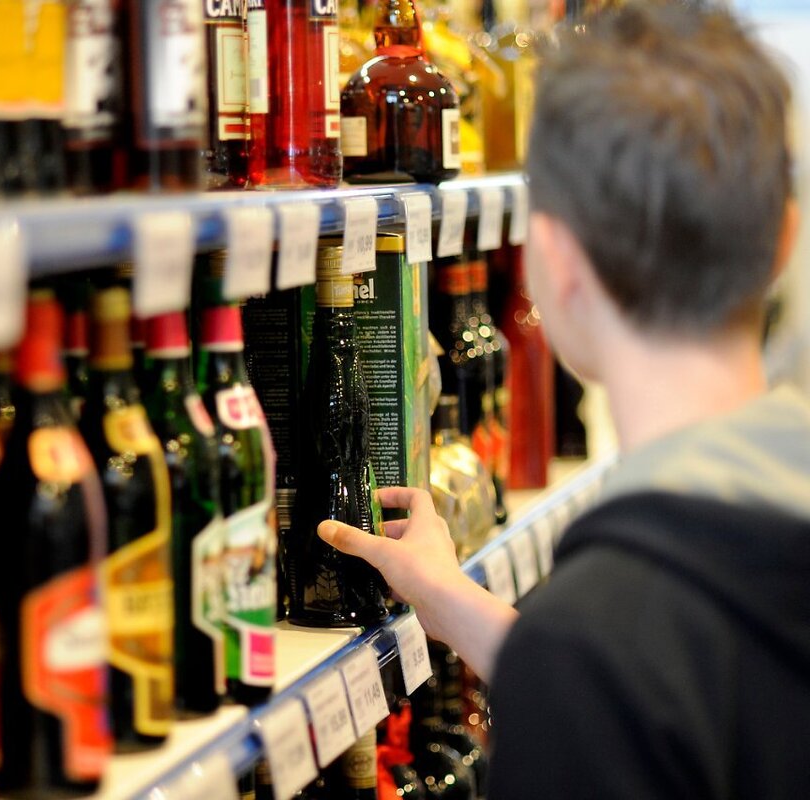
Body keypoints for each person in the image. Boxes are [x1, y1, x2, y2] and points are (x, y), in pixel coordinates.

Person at [317, 3, 810, 797]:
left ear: (554, 261)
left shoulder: (598, 639)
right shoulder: (642, 623)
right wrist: (454, 603)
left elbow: (626, 685)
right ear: (783, 238)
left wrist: (558, 667)